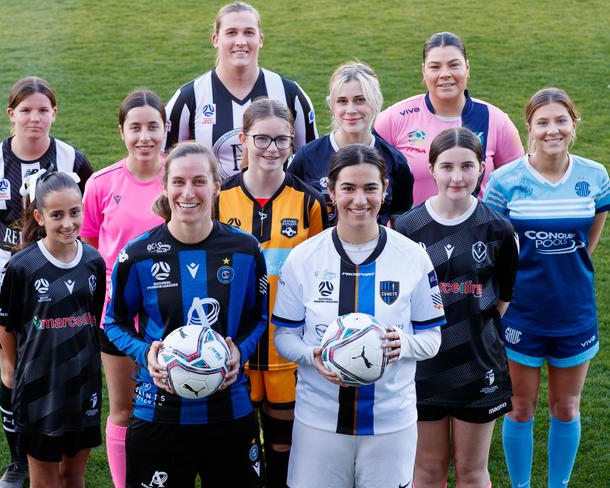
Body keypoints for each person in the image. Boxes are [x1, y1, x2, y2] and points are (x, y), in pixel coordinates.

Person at [272, 144, 446, 488]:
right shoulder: (304, 257)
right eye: (348, 188)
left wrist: (404, 345)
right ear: (332, 192)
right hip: (318, 422)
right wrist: (314, 356)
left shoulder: (412, 257)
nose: (360, 199)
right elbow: (284, 337)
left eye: (370, 188)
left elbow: (432, 338)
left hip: (390, 423)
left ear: (385, 191)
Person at [104, 141, 269, 487]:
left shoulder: (245, 250)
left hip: (229, 410)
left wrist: (240, 349)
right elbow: (113, 322)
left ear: (216, 186)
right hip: (158, 414)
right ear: (164, 187)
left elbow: (259, 318)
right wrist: (145, 352)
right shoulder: (137, 255)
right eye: (178, 182)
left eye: (199, 181)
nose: (188, 192)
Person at [0, 76, 93, 488]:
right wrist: (20, 258)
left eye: (43, 110)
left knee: (58, 362)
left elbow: (81, 218)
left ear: (54, 113)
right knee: (12, 368)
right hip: (6, 283)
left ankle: (61, 443)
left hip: (62, 286)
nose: (34, 118)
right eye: (25, 110)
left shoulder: (74, 160)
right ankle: (20, 461)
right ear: (11, 115)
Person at [484, 87, 609, 487]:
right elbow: (496, 249)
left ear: (573, 124)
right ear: (530, 128)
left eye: (560, 121)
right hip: (522, 312)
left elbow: (588, 242)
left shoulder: (595, 176)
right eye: (543, 122)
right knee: (520, 408)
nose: (552, 130)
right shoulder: (505, 181)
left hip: (574, 312)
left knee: (566, 407)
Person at [395, 127, 518, 487]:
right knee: (428, 471)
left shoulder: (497, 229)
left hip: (479, 367)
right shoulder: (407, 228)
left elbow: (503, 299)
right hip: (423, 368)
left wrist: (473, 330)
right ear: (431, 168)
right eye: (447, 166)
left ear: (482, 168)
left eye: (467, 166)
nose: (457, 176)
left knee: (471, 472)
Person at [217, 98, 327, 487]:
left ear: (293, 143)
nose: (271, 149)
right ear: (243, 139)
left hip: (288, 346)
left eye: (282, 140)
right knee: (239, 443)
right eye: (262, 139)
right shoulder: (219, 198)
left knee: (284, 445)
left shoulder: (311, 202)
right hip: (235, 345)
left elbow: (320, 276)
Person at [80, 89, 166, 488]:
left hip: (172, 311)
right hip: (118, 317)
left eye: (153, 126)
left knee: (170, 403)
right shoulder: (101, 184)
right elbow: (93, 248)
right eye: (135, 127)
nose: (144, 137)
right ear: (121, 131)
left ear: (166, 129)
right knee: (124, 408)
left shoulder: (181, 178)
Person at [0, 170, 105, 487]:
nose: (68, 223)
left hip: (84, 386)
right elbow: (7, 326)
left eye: (74, 212)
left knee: (73, 475)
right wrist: (16, 370)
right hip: (39, 388)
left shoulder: (93, 261)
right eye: (57, 215)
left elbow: (93, 318)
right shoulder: (22, 267)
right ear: (39, 217)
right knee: (44, 480)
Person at [164, 1, 317, 180]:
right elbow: (164, 163)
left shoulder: (291, 93)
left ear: (260, 39)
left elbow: (311, 161)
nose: (241, 41)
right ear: (215, 39)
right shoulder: (189, 98)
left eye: (249, 33)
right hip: (213, 207)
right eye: (231, 33)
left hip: (278, 206)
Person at [374, 32, 523, 205]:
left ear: (467, 68)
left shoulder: (495, 120)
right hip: (410, 231)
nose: (445, 74)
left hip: (476, 231)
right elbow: (368, 180)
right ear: (423, 70)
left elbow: (519, 185)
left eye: (454, 65)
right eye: (435, 67)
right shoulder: (394, 119)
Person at [288, 61, 413, 225]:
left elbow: (401, 222)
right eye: (342, 101)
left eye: (360, 100)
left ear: (376, 101)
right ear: (331, 105)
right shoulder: (306, 158)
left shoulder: (396, 161)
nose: (351, 110)